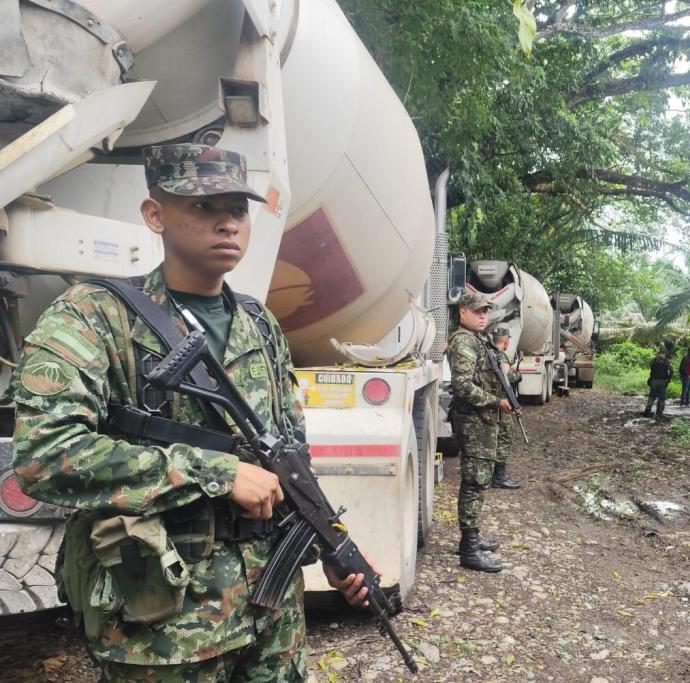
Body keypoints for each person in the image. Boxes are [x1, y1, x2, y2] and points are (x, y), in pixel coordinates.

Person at [10, 144, 368, 680]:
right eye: (204, 206)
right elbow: (44, 456)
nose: (228, 222)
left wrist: (333, 544)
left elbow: (291, 456)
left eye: (239, 209)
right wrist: (215, 473)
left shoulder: (258, 322)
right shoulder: (94, 317)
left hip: (274, 621)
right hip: (165, 626)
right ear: (155, 215)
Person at [447, 292, 514, 572]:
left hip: (482, 421)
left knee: (479, 482)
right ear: (463, 312)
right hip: (474, 422)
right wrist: (495, 401)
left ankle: (470, 541)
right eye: (477, 311)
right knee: (474, 483)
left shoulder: (477, 340)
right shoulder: (463, 341)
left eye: (485, 311)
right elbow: (462, 385)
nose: (483, 315)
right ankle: (469, 551)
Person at [489, 326, 522, 489]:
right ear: (505, 341)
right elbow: (509, 377)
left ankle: (493, 475)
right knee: (504, 437)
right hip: (502, 404)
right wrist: (517, 374)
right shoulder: (500, 356)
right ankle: (499, 477)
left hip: (491, 403)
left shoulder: (489, 353)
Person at [642, 348, 672, 419]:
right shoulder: (666, 362)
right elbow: (671, 371)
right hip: (662, 382)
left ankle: (647, 411)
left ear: (658, 353)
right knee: (661, 398)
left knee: (652, 397)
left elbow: (651, 369)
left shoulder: (653, 360)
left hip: (653, 381)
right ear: (664, 354)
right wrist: (668, 379)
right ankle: (659, 414)